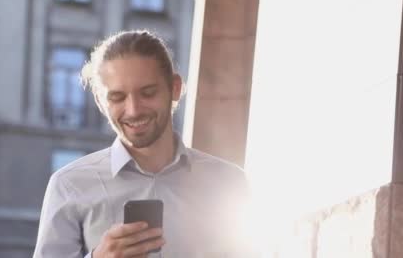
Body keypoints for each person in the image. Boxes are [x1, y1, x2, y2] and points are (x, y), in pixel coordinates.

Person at [32, 30, 252, 258]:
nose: (134, 110)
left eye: (148, 93)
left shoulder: (228, 183)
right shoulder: (69, 185)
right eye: (117, 97)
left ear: (175, 88)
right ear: (100, 101)